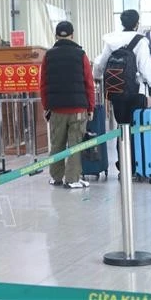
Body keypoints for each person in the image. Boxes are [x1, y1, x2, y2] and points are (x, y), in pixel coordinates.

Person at [92, 10, 151, 171]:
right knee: (136, 127)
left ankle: (123, 164)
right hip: (137, 92)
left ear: (122, 23)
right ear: (137, 23)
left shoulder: (112, 40)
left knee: (122, 127)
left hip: (116, 90)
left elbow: (100, 64)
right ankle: (136, 164)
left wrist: (96, 76)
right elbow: (146, 67)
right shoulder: (140, 41)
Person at [40, 22, 95, 189]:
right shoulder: (81, 55)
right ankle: (72, 179)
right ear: (72, 35)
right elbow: (89, 83)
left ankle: (56, 177)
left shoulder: (48, 56)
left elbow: (43, 84)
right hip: (78, 109)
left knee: (57, 144)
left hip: (56, 109)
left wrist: (46, 107)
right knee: (75, 144)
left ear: (56, 36)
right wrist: (90, 107)